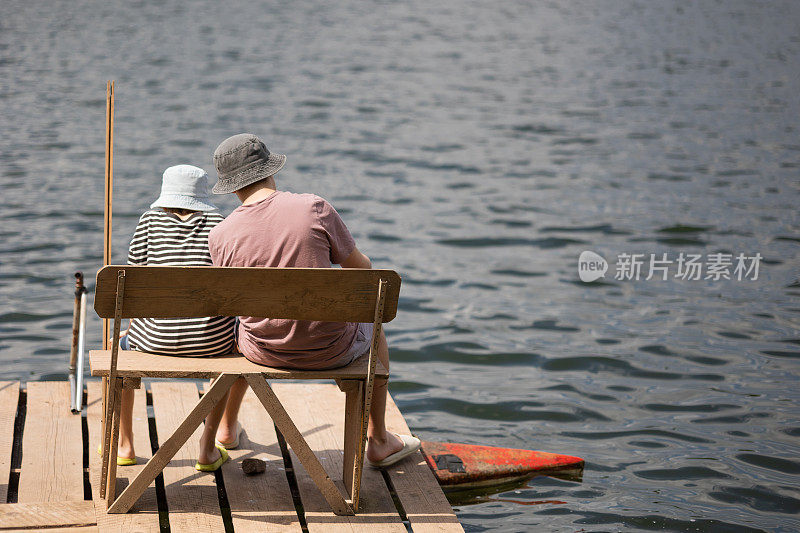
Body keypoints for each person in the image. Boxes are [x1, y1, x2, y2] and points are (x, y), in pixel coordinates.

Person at [206, 133, 420, 467]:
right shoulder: (313, 207)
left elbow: (231, 304)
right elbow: (362, 270)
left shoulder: (220, 235)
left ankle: (227, 428)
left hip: (262, 350)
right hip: (329, 348)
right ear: (270, 170)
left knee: (238, 334)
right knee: (375, 329)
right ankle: (378, 440)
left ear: (231, 186)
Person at [113, 164, 236, 471]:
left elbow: (134, 286)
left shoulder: (148, 221)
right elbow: (230, 286)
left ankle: (125, 445)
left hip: (152, 341)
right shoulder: (220, 223)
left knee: (119, 347)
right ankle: (208, 449)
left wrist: (131, 331)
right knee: (234, 346)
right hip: (212, 343)